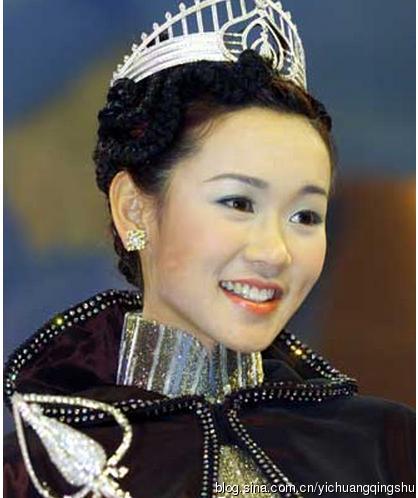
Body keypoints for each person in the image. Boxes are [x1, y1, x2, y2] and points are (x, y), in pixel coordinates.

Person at [4, 1, 415, 497]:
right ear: (133, 209)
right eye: (238, 203)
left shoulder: (385, 447)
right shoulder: (37, 467)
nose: (275, 252)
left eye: (306, 216)